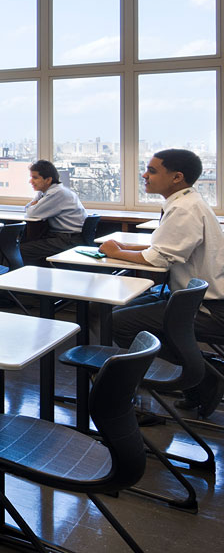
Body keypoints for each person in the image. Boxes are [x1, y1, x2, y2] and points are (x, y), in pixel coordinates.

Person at [100, 149, 224, 418]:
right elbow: (166, 247)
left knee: (118, 323)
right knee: (122, 312)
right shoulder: (187, 202)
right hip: (193, 298)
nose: (145, 175)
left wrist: (116, 253)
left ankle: (201, 377)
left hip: (210, 309)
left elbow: (160, 259)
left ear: (177, 177)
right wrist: (125, 247)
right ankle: (199, 376)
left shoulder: (183, 209)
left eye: (152, 170)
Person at [20, 160, 88, 265]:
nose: (31, 181)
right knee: (28, 245)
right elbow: (28, 208)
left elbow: (31, 213)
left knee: (19, 250)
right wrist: (34, 205)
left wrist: (34, 205)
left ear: (48, 180)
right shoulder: (45, 192)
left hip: (69, 239)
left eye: (35, 178)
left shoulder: (56, 193)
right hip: (65, 236)